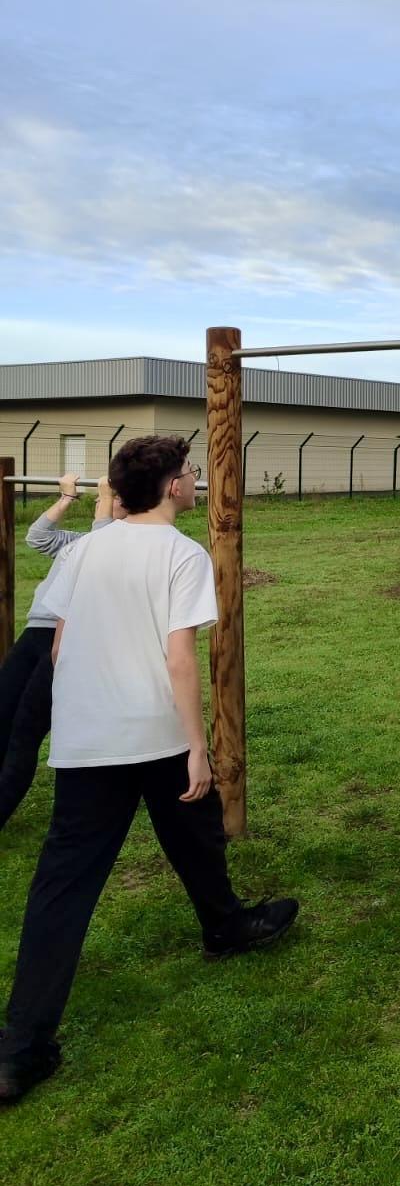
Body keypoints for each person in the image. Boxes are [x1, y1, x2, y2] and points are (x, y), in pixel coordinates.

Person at [0, 435, 299, 1106]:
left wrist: (80, 715)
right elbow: (180, 657)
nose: (195, 480)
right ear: (171, 487)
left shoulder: (87, 548)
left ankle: (18, 1052)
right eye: (190, 473)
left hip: (86, 743)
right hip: (157, 736)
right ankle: (23, 1045)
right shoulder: (181, 554)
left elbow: (63, 640)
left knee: (79, 880)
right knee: (190, 815)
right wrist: (198, 746)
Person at [0, 475, 119, 829]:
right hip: (34, 632)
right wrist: (67, 498)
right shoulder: (78, 542)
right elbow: (37, 536)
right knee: (2, 714)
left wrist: (105, 494)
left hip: (66, 640)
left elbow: (104, 542)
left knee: (25, 731)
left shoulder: (111, 546)